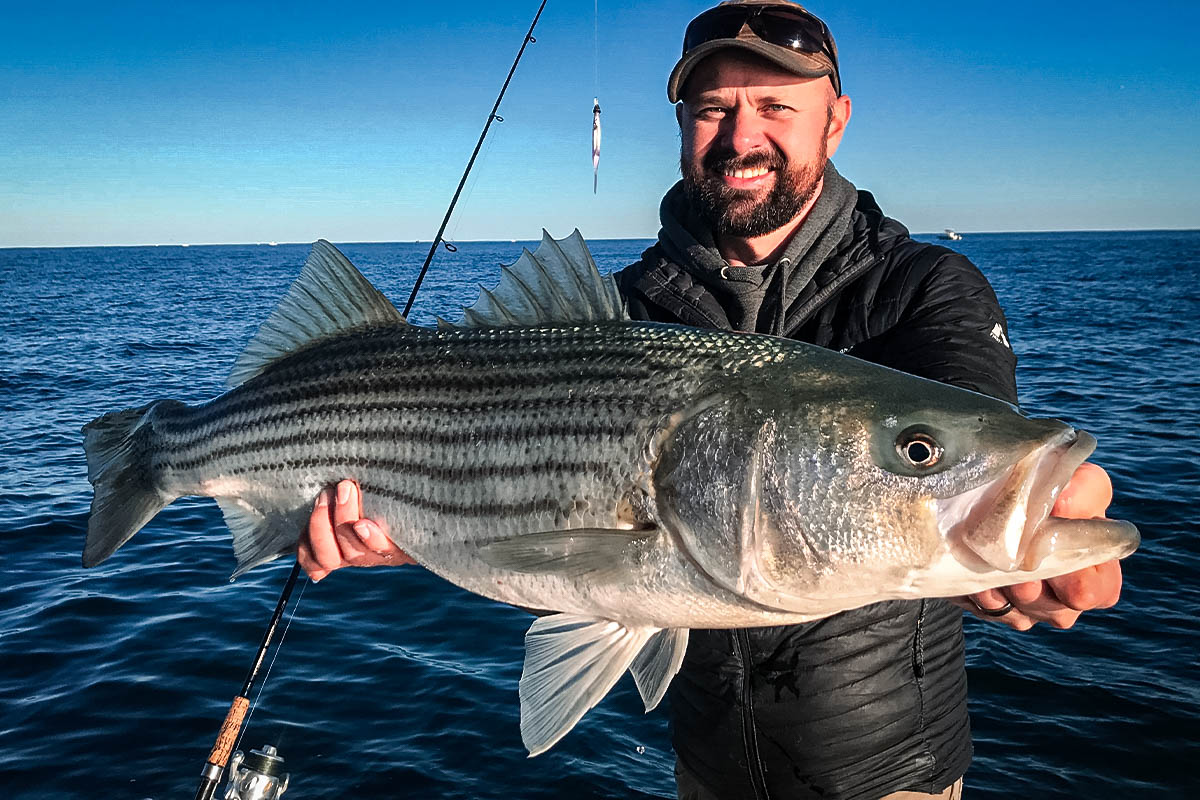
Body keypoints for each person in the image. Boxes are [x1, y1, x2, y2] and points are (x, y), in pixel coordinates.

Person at [296, 2, 1125, 797]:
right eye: (710, 110)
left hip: (887, 778)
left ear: (835, 120)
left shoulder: (923, 286)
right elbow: (486, 481)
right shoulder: (616, 310)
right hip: (705, 773)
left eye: (775, 105)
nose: (741, 136)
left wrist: (1008, 517)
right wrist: (415, 525)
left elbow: (969, 420)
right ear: (683, 125)